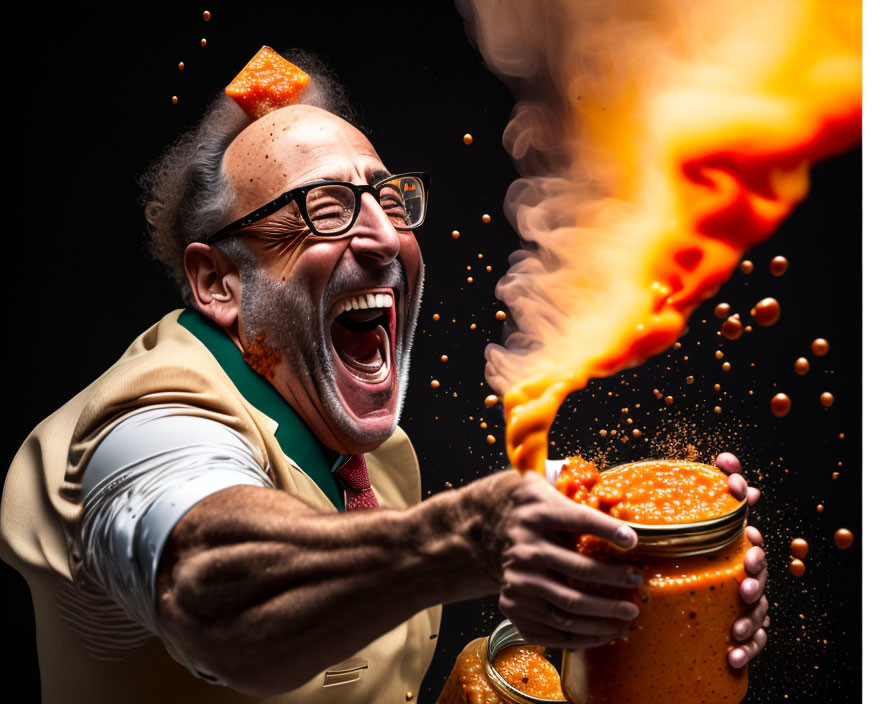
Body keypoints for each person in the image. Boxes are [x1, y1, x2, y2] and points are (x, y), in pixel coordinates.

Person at [0, 49, 767, 703]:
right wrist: (471, 535)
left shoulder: (377, 458)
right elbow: (208, 588)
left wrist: (645, 616)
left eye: (389, 198)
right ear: (218, 284)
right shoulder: (144, 424)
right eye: (325, 207)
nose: (382, 235)